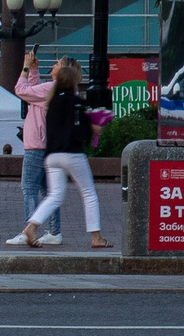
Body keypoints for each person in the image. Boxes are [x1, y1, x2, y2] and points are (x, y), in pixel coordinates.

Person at [24, 59, 110, 249]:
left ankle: (31, 227)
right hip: (72, 154)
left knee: (54, 195)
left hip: (51, 156)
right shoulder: (77, 103)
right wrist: (94, 130)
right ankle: (96, 237)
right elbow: (82, 132)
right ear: (74, 83)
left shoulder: (51, 102)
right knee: (88, 193)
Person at [6, 50, 61, 246]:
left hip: (36, 143)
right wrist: (34, 72)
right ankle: (54, 231)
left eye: (57, 64)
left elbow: (21, 90)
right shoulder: (58, 89)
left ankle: (28, 230)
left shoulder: (51, 88)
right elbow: (33, 91)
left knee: (29, 187)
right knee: (49, 191)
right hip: (49, 143)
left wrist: (26, 67)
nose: (53, 65)